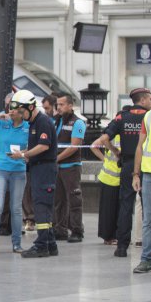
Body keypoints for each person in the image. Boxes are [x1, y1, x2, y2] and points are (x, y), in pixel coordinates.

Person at [92, 87, 151, 258]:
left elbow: (103, 139)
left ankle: (121, 247)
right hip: (146, 167)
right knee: (148, 208)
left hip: (127, 166)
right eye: (150, 99)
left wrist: (114, 151)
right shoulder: (148, 116)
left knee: (126, 205)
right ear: (142, 100)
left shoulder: (121, 117)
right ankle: (149, 249)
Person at [9, 89, 60, 259]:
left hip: (45, 169)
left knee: (41, 206)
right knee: (42, 205)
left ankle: (41, 246)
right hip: (39, 168)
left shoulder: (42, 122)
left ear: (30, 107)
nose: (21, 115)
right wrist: (23, 153)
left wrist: (24, 154)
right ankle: (50, 244)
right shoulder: (34, 123)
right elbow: (36, 148)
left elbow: (44, 146)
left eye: (22, 111)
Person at [0, 94, 29, 254]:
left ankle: (17, 244)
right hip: (0, 168)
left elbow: (32, 147)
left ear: (22, 112)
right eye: (10, 108)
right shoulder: (1, 123)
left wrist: (23, 154)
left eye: (15, 109)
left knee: (16, 208)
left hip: (19, 169)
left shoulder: (27, 127)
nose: (11, 112)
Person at [54, 93, 86, 243]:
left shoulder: (77, 123)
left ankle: (77, 231)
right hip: (58, 167)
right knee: (59, 200)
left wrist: (57, 158)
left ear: (70, 105)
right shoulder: (57, 121)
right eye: (57, 105)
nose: (58, 107)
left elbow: (74, 146)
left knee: (74, 199)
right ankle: (60, 230)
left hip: (71, 167)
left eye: (61, 104)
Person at [131, 105, 151, 273]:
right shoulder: (148, 116)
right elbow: (140, 145)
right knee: (149, 220)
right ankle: (147, 259)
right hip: (149, 175)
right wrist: (136, 174)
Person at [92, 135, 121, 245]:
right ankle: (108, 237)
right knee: (108, 210)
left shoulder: (120, 134)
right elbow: (94, 146)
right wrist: (105, 160)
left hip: (120, 178)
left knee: (118, 209)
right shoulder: (112, 135)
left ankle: (116, 236)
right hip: (109, 177)